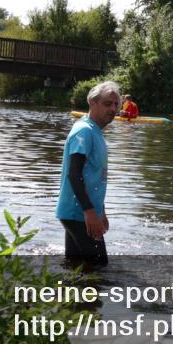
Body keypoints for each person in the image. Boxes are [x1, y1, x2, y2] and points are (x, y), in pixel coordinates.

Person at [56, 81, 120, 267]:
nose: (113, 109)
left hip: (80, 212)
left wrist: (101, 211)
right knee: (99, 267)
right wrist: (90, 212)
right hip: (79, 212)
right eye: (108, 104)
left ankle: (66, 294)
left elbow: (93, 176)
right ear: (93, 103)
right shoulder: (84, 131)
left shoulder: (94, 131)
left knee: (74, 267)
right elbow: (74, 174)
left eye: (116, 104)